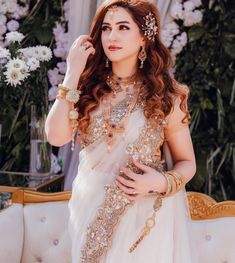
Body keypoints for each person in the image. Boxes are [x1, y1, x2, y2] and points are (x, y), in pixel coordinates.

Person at [45, 0, 198, 262]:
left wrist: (160, 182)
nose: (111, 37)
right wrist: (72, 73)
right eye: (106, 28)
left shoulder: (165, 96)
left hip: (144, 215)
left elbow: (187, 163)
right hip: (88, 208)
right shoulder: (86, 88)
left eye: (123, 27)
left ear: (143, 37)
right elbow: (55, 136)